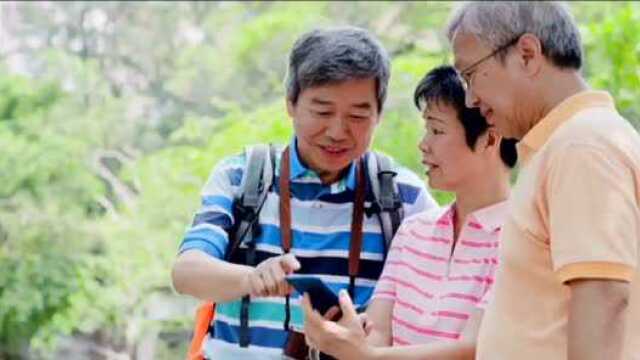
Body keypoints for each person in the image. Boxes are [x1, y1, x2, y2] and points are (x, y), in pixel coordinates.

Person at [171, 26, 437, 359]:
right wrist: (252, 278)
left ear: (379, 115)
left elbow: (444, 295)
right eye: (322, 112)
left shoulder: (403, 196)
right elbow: (186, 272)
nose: (338, 131)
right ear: (291, 104)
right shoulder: (242, 177)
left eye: (357, 115)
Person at [446, 2, 640, 359]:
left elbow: (604, 295)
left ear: (527, 54)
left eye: (470, 75)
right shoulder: (565, 145)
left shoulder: (583, 144)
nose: (471, 99)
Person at [302, 65, 517, 359]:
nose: (424, 145)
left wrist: (366, 356)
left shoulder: (523, 237)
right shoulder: (414, 231)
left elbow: (474, 349)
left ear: (490, 139)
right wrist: (349, 339)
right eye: (426, 129)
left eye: (437, 130)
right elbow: (379, 332)